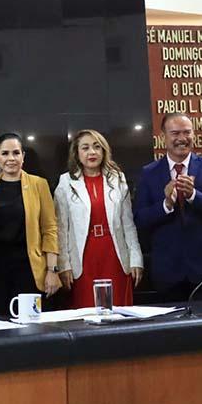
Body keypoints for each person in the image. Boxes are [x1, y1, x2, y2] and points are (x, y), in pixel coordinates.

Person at [134, 113, 202, 302]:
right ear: (164, 136)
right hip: (168, 271)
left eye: (187, 132)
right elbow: (140, 219)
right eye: (175, 133)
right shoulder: (149, 173)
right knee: (172, 331)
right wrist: (166, 204)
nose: (181, 139)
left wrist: (194, 195)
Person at [53, 130, 143, 308]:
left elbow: (128, 224)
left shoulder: (118, 179)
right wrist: (64, 265)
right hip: (83, 258)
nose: (92, 152)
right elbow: (61, 228)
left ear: (104, 151)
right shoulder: (65, 182)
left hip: (114, 254)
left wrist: (136, 258)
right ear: (77, 154)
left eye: (97, 147)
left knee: (117, 312)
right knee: (86, 312)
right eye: (85, 148)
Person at [0, 133, 59, 316]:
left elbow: (50, 229)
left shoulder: (39, 184)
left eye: (16, 153)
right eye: (5, 153)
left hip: (28, 270)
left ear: (23, 156)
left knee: (30, 329)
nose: (11, 158)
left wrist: (52, 270)